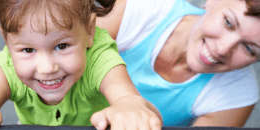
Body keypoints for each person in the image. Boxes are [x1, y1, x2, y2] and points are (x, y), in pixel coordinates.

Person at [0, 0, 163, 130]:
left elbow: (125, 97)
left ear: (89, 31)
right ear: (6, 40)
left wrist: (129, 107)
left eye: (61, 46)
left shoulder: (99, 57)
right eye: (28, 50)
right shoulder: (7, 68)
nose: (46, 67)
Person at [96, 0, 260, 127]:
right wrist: (126, 100)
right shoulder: (143, 8)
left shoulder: (239, 92)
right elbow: (72, 50)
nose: (223, 49)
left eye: (249, 48)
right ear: (212, 1)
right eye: (228, 22)